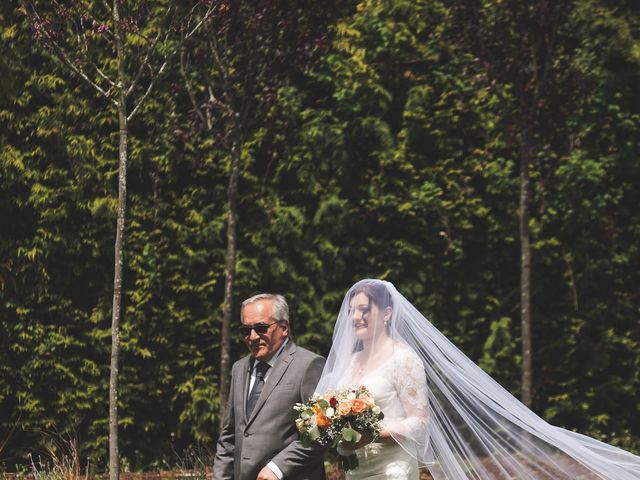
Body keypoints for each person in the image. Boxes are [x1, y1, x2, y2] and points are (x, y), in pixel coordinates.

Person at [315, 279, 640, 480]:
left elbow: (420, 423)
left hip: (392, 471)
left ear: (386, 313)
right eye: (352, 310)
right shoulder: (352, 361)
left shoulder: (404, 359)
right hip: (356, 471)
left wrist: (372, 431)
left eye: (365, 309)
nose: (356, 317)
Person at [213, 293, 325, 480]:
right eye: (245, 330)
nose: (253, 336)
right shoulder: (239, 368)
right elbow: (229, 437)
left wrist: (278, 468)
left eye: (261, 328)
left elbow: (321, 434)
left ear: (284, 327)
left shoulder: (309, 365)